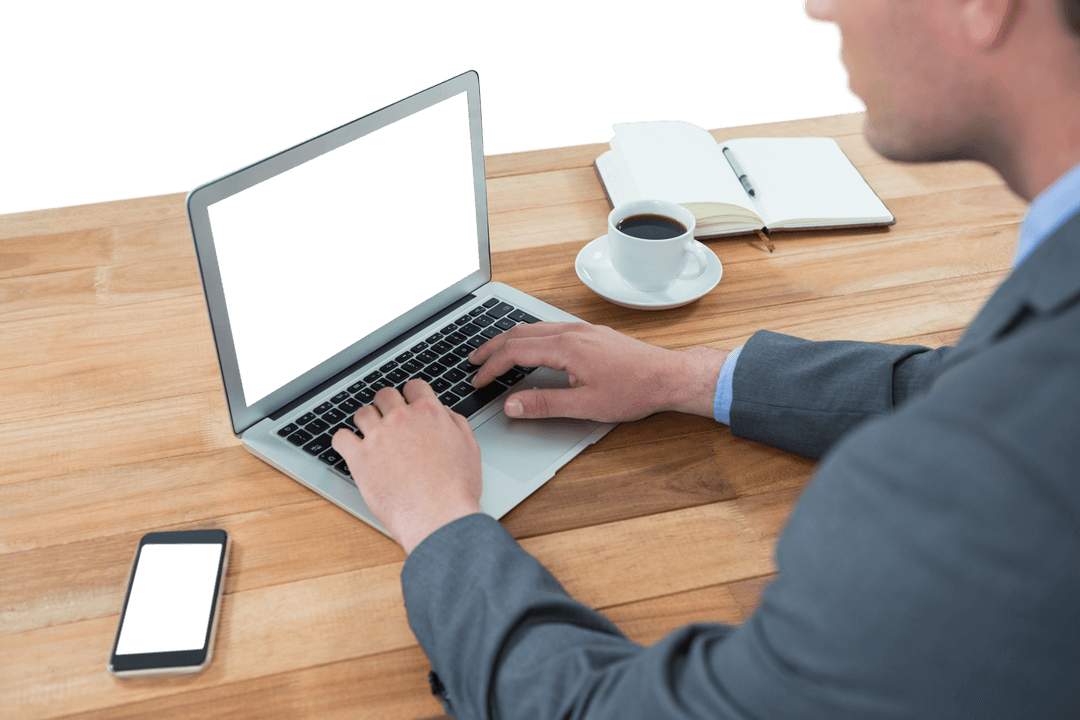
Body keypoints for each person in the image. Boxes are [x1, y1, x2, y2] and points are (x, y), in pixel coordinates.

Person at [332, 0, 1080, 716]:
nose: (818, 7)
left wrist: (438, 523)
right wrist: (683, 376)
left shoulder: (985, 485)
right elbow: (952, 387)